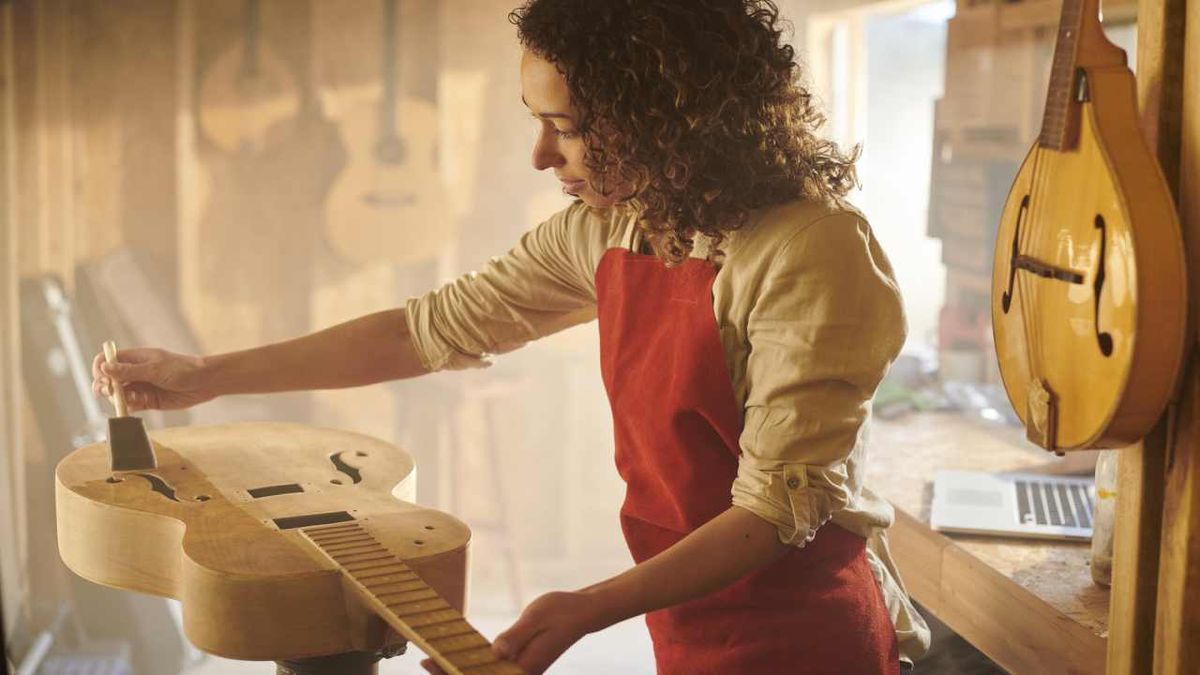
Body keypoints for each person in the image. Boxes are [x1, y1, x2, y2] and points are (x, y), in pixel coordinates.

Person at [92, 1, 930, 672]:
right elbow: (423, 330)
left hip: (807, 633)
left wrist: (588, 606)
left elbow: (773, 511)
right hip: (686, 618)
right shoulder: (612, 230)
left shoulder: (811, 249)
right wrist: (208, 373)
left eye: (565, 126)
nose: (540, 155)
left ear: (664, 116)